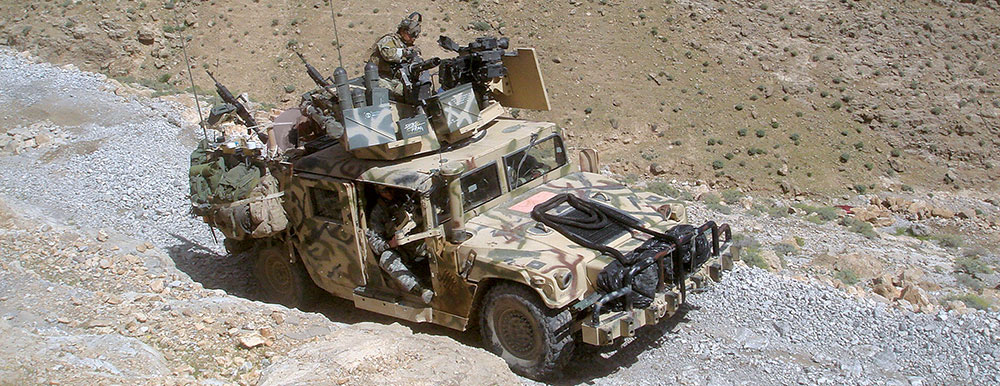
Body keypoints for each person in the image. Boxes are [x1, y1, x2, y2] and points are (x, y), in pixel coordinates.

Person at [365, 185, 434, 303]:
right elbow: (375, 242)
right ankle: (419, 289)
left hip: (421, 241)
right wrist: (390, 244)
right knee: (386, 259)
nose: (389, 193)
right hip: (401, 249)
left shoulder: (409, 199)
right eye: (384, 190)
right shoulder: (378, 212)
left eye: (390, 188)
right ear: (378, 191)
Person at [369, 12, 423, 96]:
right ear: (403, 31)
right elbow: (388, 54)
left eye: (416, 36)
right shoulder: (389, 40)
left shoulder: (408, 45)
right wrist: (405, 52)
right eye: (412, 35)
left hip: (397, 80)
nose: (413, 39)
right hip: (381, 78)